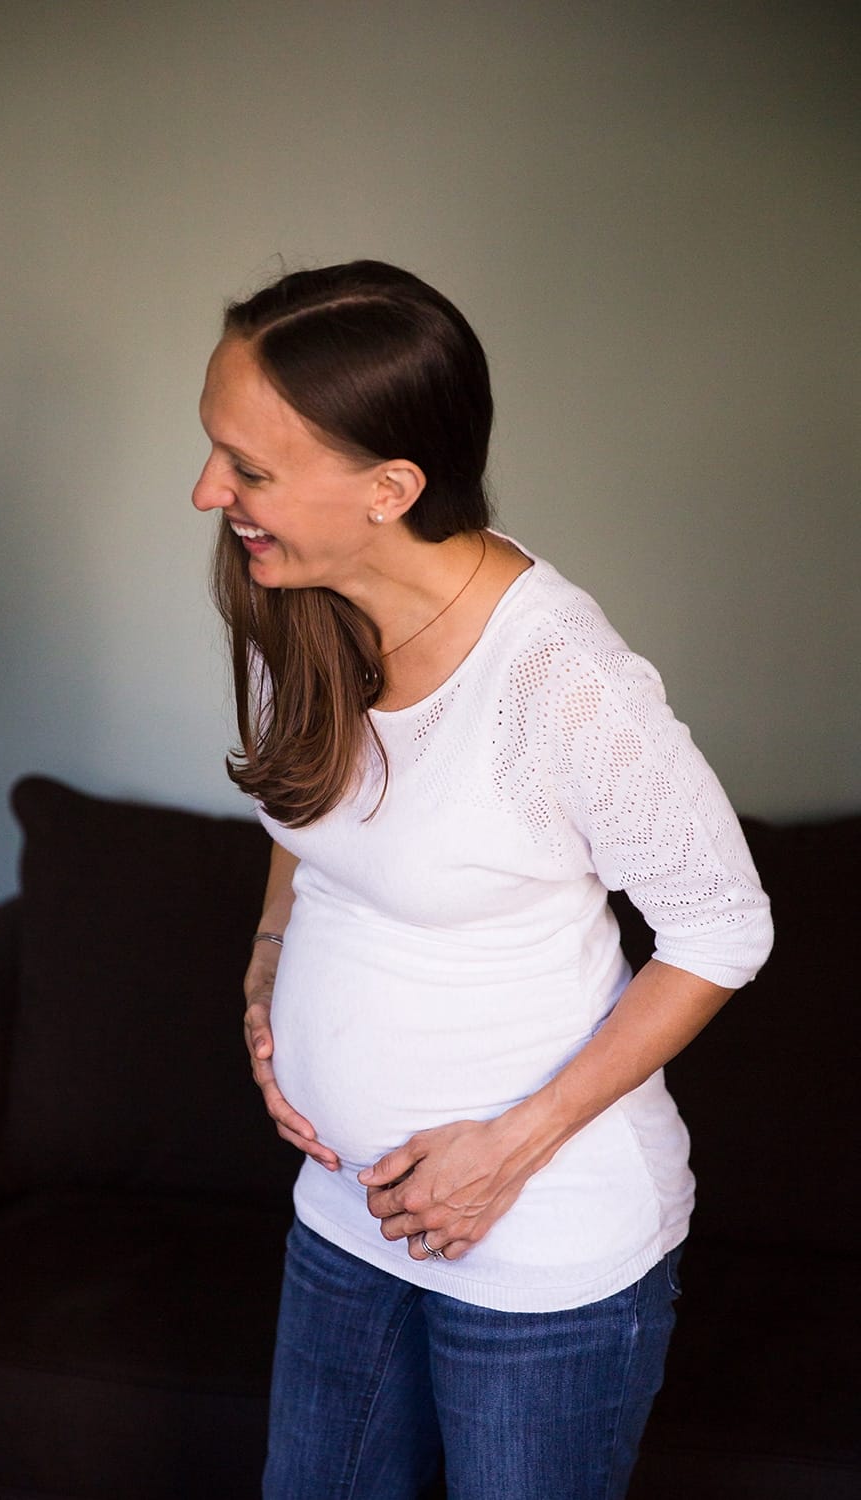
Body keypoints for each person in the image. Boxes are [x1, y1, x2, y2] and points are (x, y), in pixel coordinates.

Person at [191, 260, 773, 1500]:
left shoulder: (560, 680)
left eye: (249, 468)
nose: (208, 492)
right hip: (343, 1213)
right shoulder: (295, 590)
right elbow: (309, 800)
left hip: (535, 1243)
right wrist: (270, 959)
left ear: (389, 490)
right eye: (214, 452)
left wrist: (507, 1152)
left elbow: (722, 926)